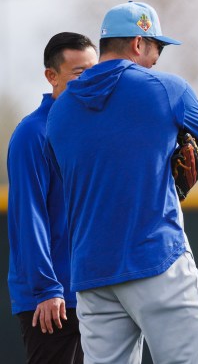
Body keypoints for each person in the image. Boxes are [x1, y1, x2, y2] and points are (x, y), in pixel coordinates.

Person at [46, 2, 198, 364]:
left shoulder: (59, 111)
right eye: (156, 46)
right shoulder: (167, 88)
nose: (158, 55)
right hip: (155, 256)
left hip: (91, 274)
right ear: (138, 43)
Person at [7, 32, 97, 364]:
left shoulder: (91, 129)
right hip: (53, 300)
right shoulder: (33, 134)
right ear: (52, 76)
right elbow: (28, 218)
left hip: (96, 291)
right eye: (78, 73)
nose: (88, 79)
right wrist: (47, 289)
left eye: (93, 70)